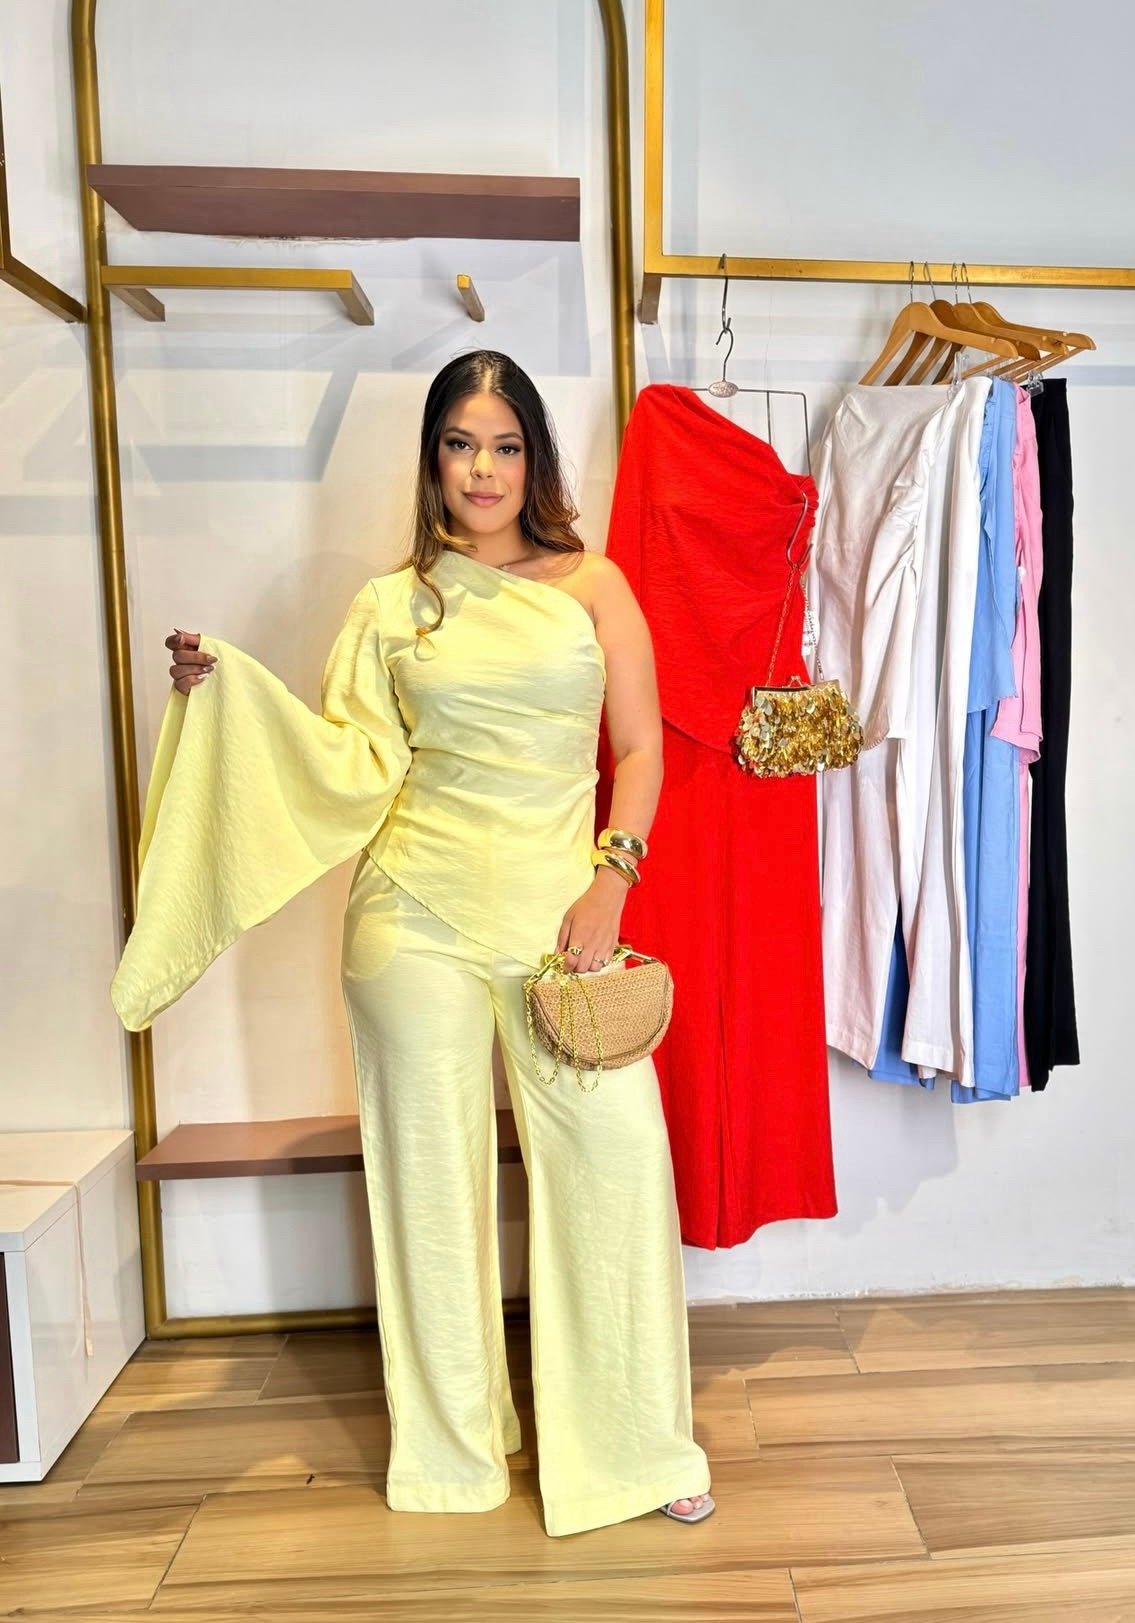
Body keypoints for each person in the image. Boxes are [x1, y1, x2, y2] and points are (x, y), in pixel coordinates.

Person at [159, 350, 714, 1536]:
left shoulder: (594, 586)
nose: (483, 470)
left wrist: (612, 878)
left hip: (563, 922)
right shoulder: (391, 605)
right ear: (433, 458)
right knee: (431, 1185)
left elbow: (642, 749)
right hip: (412, 915)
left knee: (614, 1163)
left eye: (505, 446)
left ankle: (636, 1449)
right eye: (461, 444)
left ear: (534, 459)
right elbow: (343, 763)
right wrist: (226, 689)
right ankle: (457, 1454)